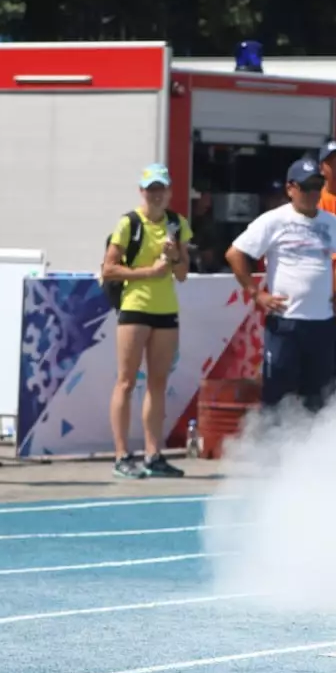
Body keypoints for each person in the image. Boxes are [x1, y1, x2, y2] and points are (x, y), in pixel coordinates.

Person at [226, 158, 336, 413]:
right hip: (286, 321)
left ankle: (312, 448)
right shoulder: (273, 220)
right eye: (305, 187)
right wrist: (256, 293)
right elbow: (235, 254)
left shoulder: (331, 223)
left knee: (319, 395)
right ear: (290, 189)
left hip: (322, 322)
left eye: (316, 187)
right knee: (278, 393)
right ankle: (273, 447)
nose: (311, 194)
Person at [102, 163, 193, 479]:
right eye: (150, 189)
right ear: (142, 191)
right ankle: (121, 455)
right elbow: (108, 269)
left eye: (161, 189)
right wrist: (148, 272)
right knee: (126, 382)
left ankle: (153, 454)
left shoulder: (177, 224)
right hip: (135, 307)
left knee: (158, 382)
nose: (156, 195)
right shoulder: (129, 223)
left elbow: (182, 274)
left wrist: (175, 256)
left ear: (169, 191)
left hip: (165, 309)